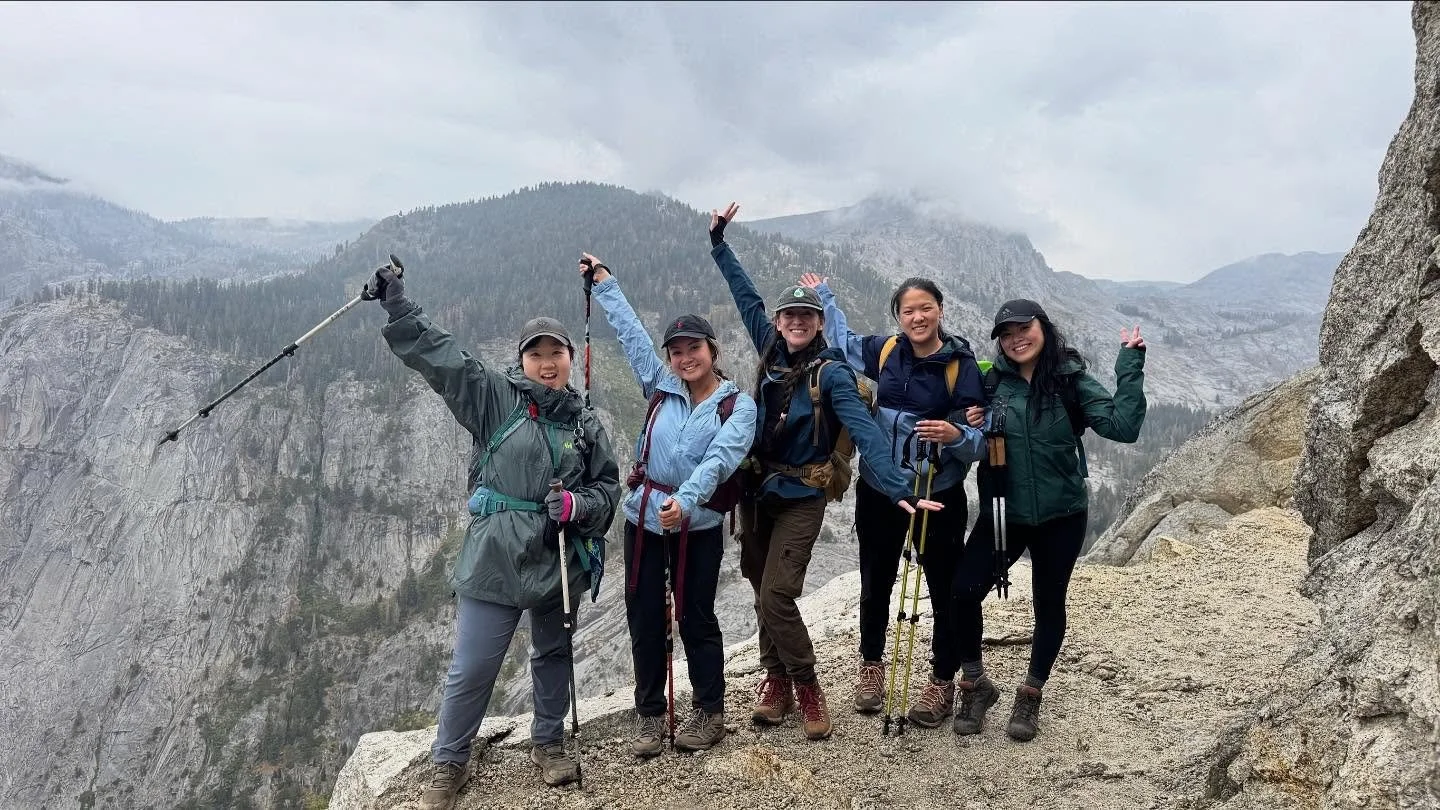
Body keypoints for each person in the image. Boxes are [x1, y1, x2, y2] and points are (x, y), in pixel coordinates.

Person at [364, 263, 621, 808]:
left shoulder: (585, 423)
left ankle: (549, 742)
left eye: (556, 354)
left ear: (571, 358)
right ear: (522, 360)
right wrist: (398, 307)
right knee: (475, 665)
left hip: (558, 555)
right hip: (496, 556)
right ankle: (449, 762)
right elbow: (445, 361)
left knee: (552, 655)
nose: (547, 364)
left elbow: (607, 488)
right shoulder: (495, 400)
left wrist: (580, 505)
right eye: (537, 354)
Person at [707, 202, 945, 742]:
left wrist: (899, 487)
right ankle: (776, 683)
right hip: (757, 491)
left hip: (803, 493)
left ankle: (807, 687)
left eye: (806, 317)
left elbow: (865, 432)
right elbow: (745, 294)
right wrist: (719, 244)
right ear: (779, 322)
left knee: (777, 594)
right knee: (756, 581)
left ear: (817, 325)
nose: (795, 323)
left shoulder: (832, 373)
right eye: (788, 316)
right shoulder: (769, 347)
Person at [581, 252, 758, 757]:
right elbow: (633, 336)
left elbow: (721, 460)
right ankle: (650, 715)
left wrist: (684, 501)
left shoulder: (735, 405)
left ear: (712, 349)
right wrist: (605, 284)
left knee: (696, 615)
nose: (684, 358)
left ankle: (709, 710)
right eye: (676, 351)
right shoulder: (661, 388)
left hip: (695, 525)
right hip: (643, 518)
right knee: (643, 616)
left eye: (693, 348)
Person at [800, 271, 987, 728]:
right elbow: (841, 340)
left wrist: (954, 432)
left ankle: (943, 677)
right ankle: (871, 664)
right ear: (899, 318)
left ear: (940, 310)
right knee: (874, 580)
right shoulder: (886, 352)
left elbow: (980, 441)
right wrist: (825, 295)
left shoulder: (960, 367)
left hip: (936, 493)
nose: (918, 317)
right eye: (909, 311)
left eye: (926, 308)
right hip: (881, 490)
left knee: (944, 587)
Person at [954, 298, 1146, 742]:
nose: (1016, 338)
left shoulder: (1069, 381)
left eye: (1025, 328)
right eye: (1006, 333)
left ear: (1044, 327)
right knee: (963, 591)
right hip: (1004, 512)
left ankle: (1031, 693)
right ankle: (975, 684)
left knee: (1048, 601)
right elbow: (959, 422)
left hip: (1062, 515)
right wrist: (965, 418)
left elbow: (1123, 426)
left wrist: (1130, 364)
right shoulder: (989, 382)